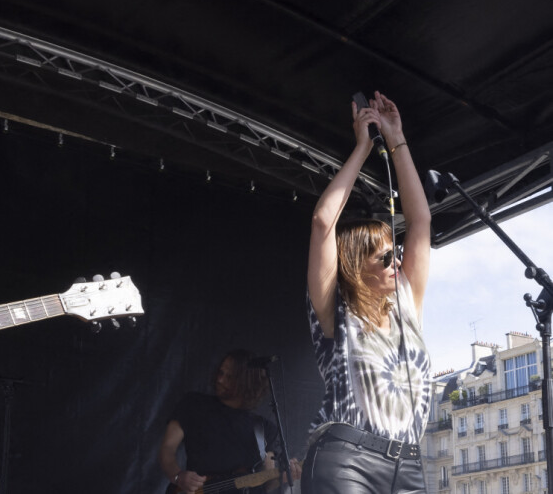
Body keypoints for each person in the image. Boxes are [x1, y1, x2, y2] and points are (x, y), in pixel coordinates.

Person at [301, 91, 432, 494]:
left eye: (397, 253)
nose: (397, 261)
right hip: (347, 458)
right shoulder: (335, 310)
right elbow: (324, 222)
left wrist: (396, 140)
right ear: (358, 266)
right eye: (386, 256)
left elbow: (421, 221)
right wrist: (362, 147)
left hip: (408, 464)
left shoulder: (405, 303)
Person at [159, 349, 300, 494]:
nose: (220, 380)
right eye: (221, 373)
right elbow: (167, 449)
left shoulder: (264, 429)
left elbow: (265, 484)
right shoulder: (194, 404)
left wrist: (282, 477)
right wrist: (178, 476)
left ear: (248, 382)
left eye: (230, 377)